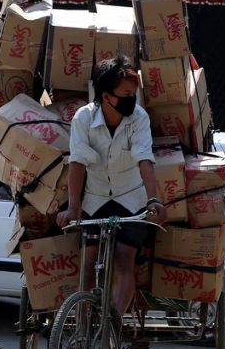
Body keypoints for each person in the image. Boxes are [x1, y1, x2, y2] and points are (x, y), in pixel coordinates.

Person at [56, 56, 167, 317]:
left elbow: (145, 160)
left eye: (134, 94)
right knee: (88, 262)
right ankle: (81, 332)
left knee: (123, 259)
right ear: (106, 96)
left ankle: (113, 324)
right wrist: (73, 209)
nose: (132, 99)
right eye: (126, 94)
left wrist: (153, 200)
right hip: (94, 199)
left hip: (131, 198)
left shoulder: (139, 118)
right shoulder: (83, 118)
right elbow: (78, 163)